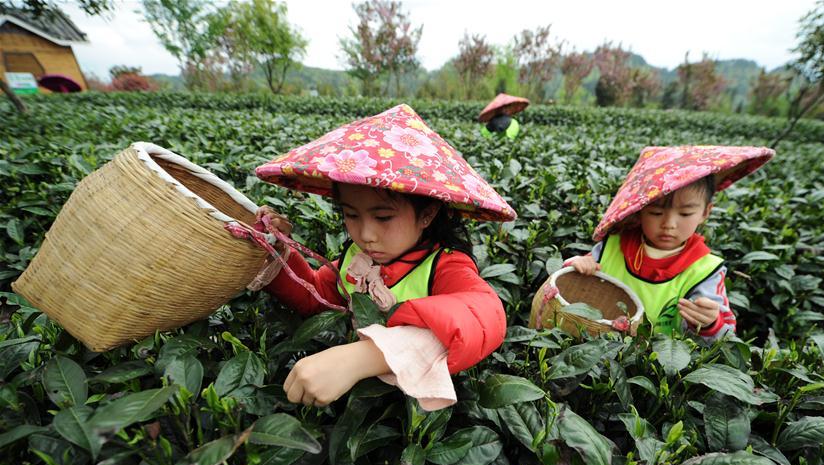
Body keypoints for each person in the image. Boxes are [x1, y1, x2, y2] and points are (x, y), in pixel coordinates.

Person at [251, 104, 517, 411]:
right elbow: (318, 295)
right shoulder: (358, 258)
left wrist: (366, 357)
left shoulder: (444, 265)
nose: (366, 235)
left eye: (384, 217)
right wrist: (277, 248)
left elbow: (485, 317)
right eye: (351, 215)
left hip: (415, 413)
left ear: (427, 214)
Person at [565, 145, 775, 342]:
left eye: (685, 213)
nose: (669, 224)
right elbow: (575, 285)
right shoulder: (612, 245)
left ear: (705, 212)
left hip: (657, 369)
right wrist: (577, 268)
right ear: (639, 210)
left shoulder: (704, 271)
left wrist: (710, 323)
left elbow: (725, 339)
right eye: (656, 212)